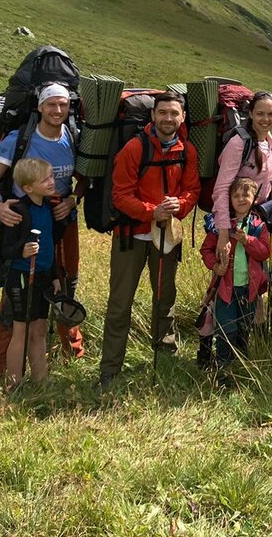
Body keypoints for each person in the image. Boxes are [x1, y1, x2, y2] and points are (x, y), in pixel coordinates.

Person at [0, 83, 83, 381]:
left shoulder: (73, 137)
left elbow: (85, 180)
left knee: (64, 288)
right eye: (51, 105)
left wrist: (73, 200)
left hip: (60, 224)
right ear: (40, 107)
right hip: (22, 224)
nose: (57, 110)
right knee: (13, 305)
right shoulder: (17, 140)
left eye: (62, 105)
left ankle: (66, 359)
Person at [98, 92, 200, 389]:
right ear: (153, 116)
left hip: (167, 235)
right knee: (120, 304)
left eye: (174, 114)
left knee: (164, 299)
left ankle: (165, 361)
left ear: (182, 118)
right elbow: (120, 195)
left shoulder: (187, 150)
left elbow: (192, 189)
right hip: (130, 236)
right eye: (163, 113)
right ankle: (109, 371)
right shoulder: (134, 148)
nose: (168, 118)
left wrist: (177, 207)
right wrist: (151, 212)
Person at [208, 91, 272, 326]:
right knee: (224, 281)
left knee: (254, 279)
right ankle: (214, 340)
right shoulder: (238, 143)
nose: (265, 119)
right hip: (231, 222)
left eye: (270, 114)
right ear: (250, 113)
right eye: (260, 113)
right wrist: (222, 233)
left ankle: (248, 337)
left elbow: (271, 186)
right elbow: (221, 189)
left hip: (257, 225)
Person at [0, 157, 62, 391]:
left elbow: (50, 245)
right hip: (22, 277)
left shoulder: (49, 207)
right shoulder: (18, 210)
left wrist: (55, 276)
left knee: (39, 329)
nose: (51, 182)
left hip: (44, 276)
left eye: (51, 176)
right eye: (45, 179)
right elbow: (5, 249)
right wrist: (21, 251)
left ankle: (40, 384)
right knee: (21, 331)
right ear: (28, 187)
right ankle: (12, 385)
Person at [197, 177, 272, 366]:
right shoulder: (222, 226)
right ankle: (224, 367)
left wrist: (248, 241)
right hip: (225, 288)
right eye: (236, 195)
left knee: (243, 328)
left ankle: (240, 366)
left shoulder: (258, 226)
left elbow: (264, 252)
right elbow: (206, 250)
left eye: (245, 195)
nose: (240, 199)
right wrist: (215, 266)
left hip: (249, 289)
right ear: (229, 200)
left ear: (254, 197)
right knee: (226, 327)